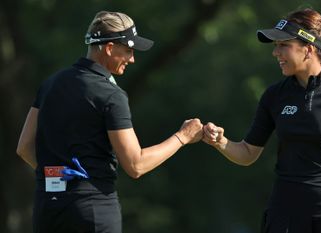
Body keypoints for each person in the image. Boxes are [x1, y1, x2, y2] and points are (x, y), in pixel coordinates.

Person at [16, 11, 203, 233]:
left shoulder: (50, 84)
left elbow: (25, 147)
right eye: (128, 50)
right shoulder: (111, 95)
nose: (132, 59)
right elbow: (136, 165)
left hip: (47, 208)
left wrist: (61, 177)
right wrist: (182, 137)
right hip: (92, 209)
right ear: (109, 47)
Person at [203, 8, 321, 233]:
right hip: (286, 215)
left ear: (308, 49)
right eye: (276, 46)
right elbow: (248, 153)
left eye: (283, 45)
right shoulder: (274, 96)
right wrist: (221, 142)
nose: (275, 53)